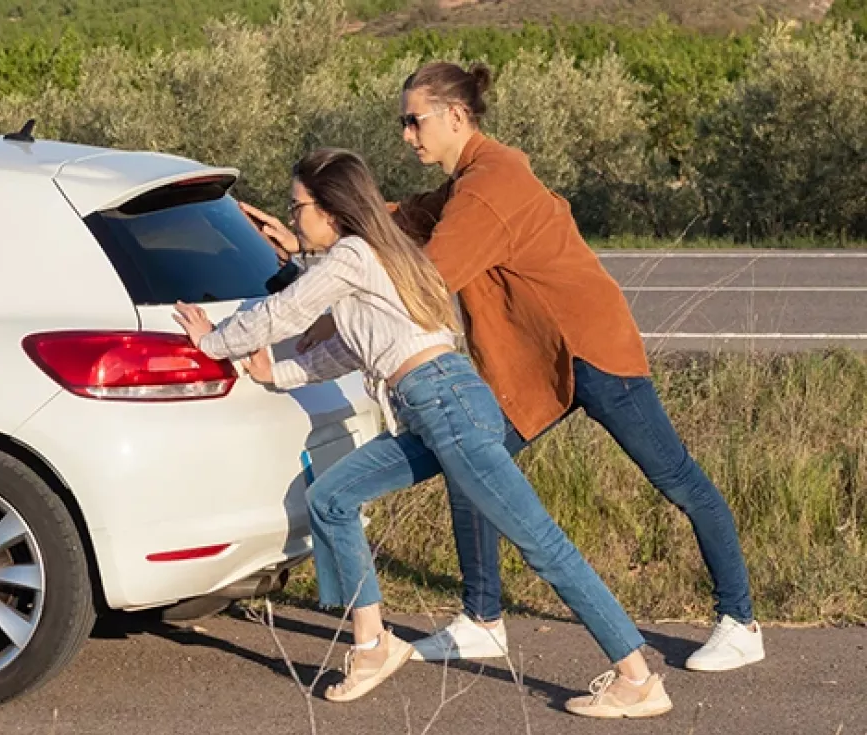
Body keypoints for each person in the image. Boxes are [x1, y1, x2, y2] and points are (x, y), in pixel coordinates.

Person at [239, 61, 765, 674]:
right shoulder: (469, 179)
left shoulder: (490, 187)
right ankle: (483, 621)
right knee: (470, 472)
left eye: (414, 122)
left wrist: (321, 270)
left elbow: (419, 285)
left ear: (455, 117)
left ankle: (740, 620)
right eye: (403, 123)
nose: (407, 135)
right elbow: (403, 215)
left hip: (589, 349)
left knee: (673, 475)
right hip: (533, 361)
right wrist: (323, 229)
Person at [174, 147, 672, 718]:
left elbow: (282, 314)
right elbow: (350, 348)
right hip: (446, 404)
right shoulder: (382, 258)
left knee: (543, 545)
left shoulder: (350, 256)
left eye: (298, 207)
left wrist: (213, 340)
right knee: (331, 498)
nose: (292, 220)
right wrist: (276, 372)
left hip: (444, 407)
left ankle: (636, 677)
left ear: (332, 210)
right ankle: (371, 646)